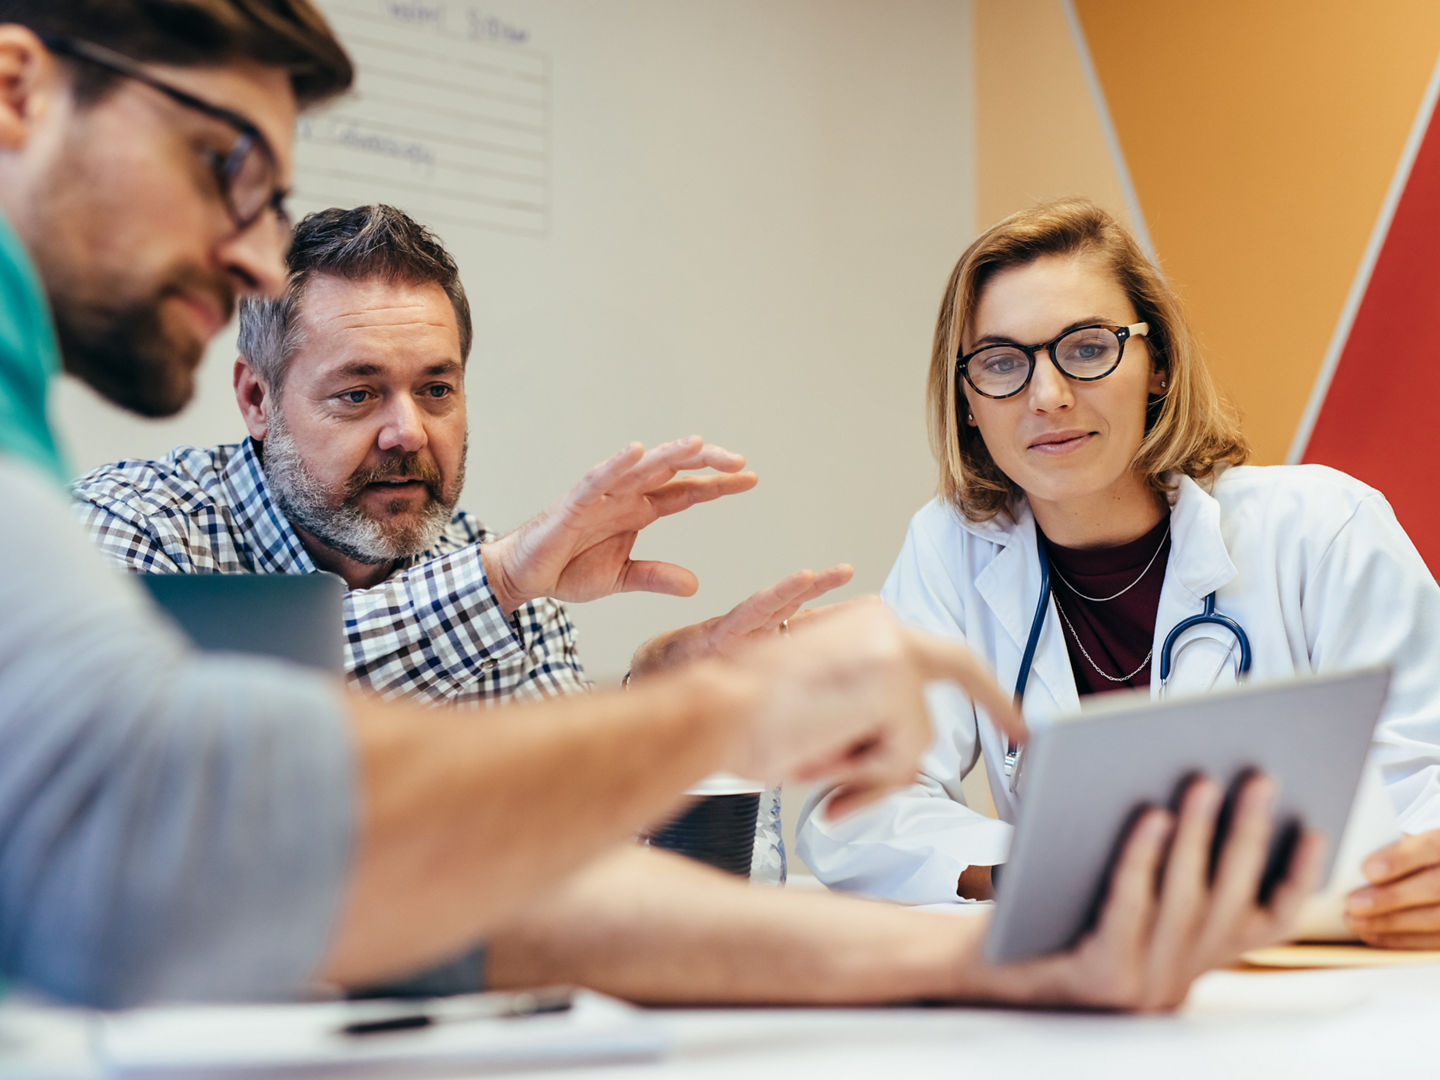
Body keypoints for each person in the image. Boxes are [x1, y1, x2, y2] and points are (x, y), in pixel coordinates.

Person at [0, 4, 1319, 1013]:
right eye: (218, 162)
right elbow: (181, 788)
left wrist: (1001, 957)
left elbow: (528, 877)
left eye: (439, 386)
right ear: (16, 89)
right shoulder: (128, 526)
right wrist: (704, 704)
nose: (244, 244)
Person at [796, 199, 1440, 950]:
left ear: (1157, 364)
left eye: (1087, 347)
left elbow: (1428, 767)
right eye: (1002, 363)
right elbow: (861, 804)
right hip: (1089, 991)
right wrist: (1046, 873)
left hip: (1321, 973)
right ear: (969, 401)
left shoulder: (1323, 529)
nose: (1048, 396)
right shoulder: (950, 547)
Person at [71, 203, 853, 713]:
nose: (407, 433)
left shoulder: (486, 565)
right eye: (358, 394)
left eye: (437, 389)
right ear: (255, 399)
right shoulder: (132, 529)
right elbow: (173, 755)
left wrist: (664, 691)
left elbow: (562, 824)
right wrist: (500, 581)